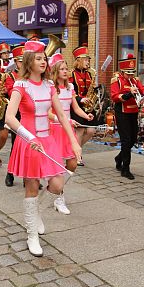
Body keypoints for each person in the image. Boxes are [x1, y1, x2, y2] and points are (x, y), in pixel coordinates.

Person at [5, 40, 81, 257]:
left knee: (57, 184)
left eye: (44, 58)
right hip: (29, 142)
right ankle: (32, 235)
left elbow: (62, 117)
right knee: (31, 187)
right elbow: (10, 117)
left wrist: (74, 142)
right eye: (38, 58)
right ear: (29, 61)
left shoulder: (49, 86)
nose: (43, 61)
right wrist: (29, 138)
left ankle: (36, 212)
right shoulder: (20, 86)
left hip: (48, 141)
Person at [48, 53, 93, 214]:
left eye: (67, 69)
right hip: (54, 129)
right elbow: (46, 112)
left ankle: (55, 187)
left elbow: (75, 108)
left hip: (68, 130)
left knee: (73, 164)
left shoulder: (70, 87)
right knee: (59, 166)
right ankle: (59, 198)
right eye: (62, 69)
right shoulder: (50, 88)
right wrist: (62, 120)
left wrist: (85, 116)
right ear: (55, 71)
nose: (66, 71)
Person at [110, 54, 144, 180]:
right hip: (122, 113)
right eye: (128, 74)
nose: (131, 76)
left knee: (132, 139)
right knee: (126, 140)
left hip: (133, 112)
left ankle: (119, 158)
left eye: (132, 73)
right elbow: (115, 96)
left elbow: (142, 89)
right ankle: (125, 169)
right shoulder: (117, 80)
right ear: (122, 72)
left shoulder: (135, 80)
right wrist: (128, 93)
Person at [69, 45, 96, 165]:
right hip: (77, 105)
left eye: (88, 60)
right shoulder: (72, 74)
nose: (88, 62)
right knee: (79, 131)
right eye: (85, 59)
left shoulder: (90, 74)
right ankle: (77, 156)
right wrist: (80, 99)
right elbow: (70, 92)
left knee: (90, 131)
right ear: (78, 60)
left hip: (88, 107)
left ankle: (75, 148)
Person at [4, 44, 24, 187]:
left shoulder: (32, 76)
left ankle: (27, 177)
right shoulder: (11, 76)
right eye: (21, 61)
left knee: (30, 147)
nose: (23, 64)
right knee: (16, 146)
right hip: (16, 114)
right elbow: (11, 93)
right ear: (16, 62)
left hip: (29, 114)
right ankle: (10, 174)